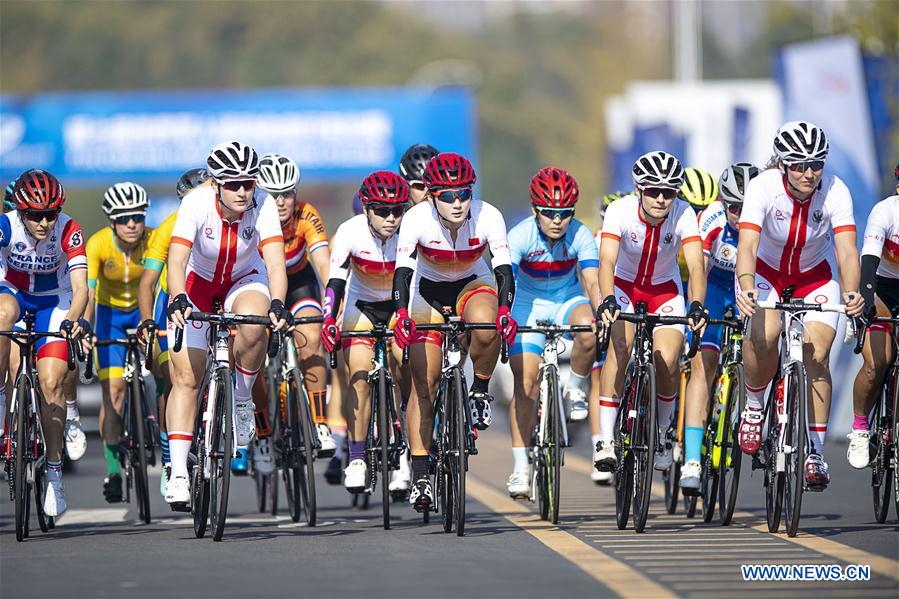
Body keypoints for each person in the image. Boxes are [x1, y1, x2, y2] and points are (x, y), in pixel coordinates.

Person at [735, 121, 863, 490]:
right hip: (765, 274)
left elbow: (847, 251)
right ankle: (755, 406)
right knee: (767, 333)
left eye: (816, 165)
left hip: (814, 278)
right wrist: (745, 287)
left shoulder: (836, 191)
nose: (809, 174)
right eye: (799, 165)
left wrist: (852, 292)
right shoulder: (762, 187)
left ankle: (815, 451)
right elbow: (746, 247)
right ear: (782, 165)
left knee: (818, 354)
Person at [163, 141, 292, 506]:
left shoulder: (263, 204)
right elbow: (177, 259)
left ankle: (240, 398)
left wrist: (279, 303)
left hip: (243, 279)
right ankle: (177, 472)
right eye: (232, 184)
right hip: (197, 283)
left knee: (255, 324)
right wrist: (177, 297)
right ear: (216, 184)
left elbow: (275, 264)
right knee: (187, 378)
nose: (241, 191)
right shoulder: (195, 203)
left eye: (248, 183)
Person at [391, 152, 516, 512]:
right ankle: (419, 475)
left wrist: (505, 311)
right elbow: (402, 273)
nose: (457, 202)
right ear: (431, 196)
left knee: (488, 323)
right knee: (424, 383)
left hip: (471, 282)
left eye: (464, 193)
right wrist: (401, 314)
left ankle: (478, 390)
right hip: (426, 291)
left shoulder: (488, 215)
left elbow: (504, 270)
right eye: (447, 196)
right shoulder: (415, 219)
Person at [593, 151, 708, 474]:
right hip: (624, 287)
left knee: (668, 359)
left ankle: (661, 434)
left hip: (664, 290)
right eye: (653, 191)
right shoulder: (619, 211)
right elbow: (606, 262)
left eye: (668, 192)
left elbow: (697, 265)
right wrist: (607, 300)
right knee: (619, 348)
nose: (660, 199)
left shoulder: (684, 214)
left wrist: (697, 303)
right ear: (639, 190)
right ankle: (605, 438)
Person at [505, 167, 600, 498]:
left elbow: (590, 280)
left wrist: (601, 307)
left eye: (564, 213)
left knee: (590, 328)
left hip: (565, 298)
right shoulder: (519, 236)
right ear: (535, 210)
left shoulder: (581, 234)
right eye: (548, 213)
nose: (557, 220)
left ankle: (574, 387)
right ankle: (520, 467)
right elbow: (506, 280)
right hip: (526, 304)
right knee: (526, 383)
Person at [0, 169, 89, 516]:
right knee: (2, 316)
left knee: (51, 384)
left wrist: (71, 322)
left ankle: (53, 473)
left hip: (55, 300)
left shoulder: (69, 229)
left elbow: (81, 289)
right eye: (35, 215)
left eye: (50, 214)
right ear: (21, 212)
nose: (43, 222)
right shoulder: (6, 225)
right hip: (14, 294)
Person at [321, 171, 412, 493]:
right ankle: (357, 457)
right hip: (361, 308)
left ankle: (404, 446)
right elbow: (335, 282)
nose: (391, 218)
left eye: (397, 211)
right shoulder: (350, 231)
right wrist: (328, 319)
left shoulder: (412, 230)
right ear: (366, 208)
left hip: (401, 307)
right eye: (382, 211)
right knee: (358, 373)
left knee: (405, 363)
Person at [679, 163, 759, 493]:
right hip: (714, 286)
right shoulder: (710, 220)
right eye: (734, 207)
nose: (740, 214)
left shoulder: (765, 220)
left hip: (750, 285)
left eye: (747, 207)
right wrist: (694, 314)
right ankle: (693, 460)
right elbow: (699, 270)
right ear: (723, 203)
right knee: (703, 366)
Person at [256, 154, 334, 467]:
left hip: (300, 283)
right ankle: (262, 434)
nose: (281, 202)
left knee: (311, 336)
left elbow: (324, 264)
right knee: (253, 352)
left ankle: (319, 421)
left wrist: (333, 304)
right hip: (262, 285)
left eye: (287, 193)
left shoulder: (306, 215)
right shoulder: (255, 217)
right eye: (274, 195)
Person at [137, 167, 210, 496]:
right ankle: (172, 460)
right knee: (172, 374)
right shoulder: (169, 228)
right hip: (175, 298)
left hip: (213, 296)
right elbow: (149, 283)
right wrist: (146, 320)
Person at [84, 182, 153, 503]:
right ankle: (113, 470)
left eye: (137, 217)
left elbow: (163, 286)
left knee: (169, 377)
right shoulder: (98, 244)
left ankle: (170, 457)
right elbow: (87, 292)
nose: (131, 225)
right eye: (123, 218)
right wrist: (85, 326)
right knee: (113, 391)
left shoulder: (153, 241)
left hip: (145, 311)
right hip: (109, 315)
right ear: (111, 221)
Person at [847, 166, 899, 468]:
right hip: (878, 286)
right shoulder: (885, 212)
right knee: (876, 363)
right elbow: (868, 259)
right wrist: (866, 299)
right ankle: (860, 428)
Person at [587, 191, 626, 486]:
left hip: (639, 296)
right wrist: (598, 314)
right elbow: (591, 280)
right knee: (599, 374)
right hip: (603, 303)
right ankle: (600, 442)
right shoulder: (599, 237)